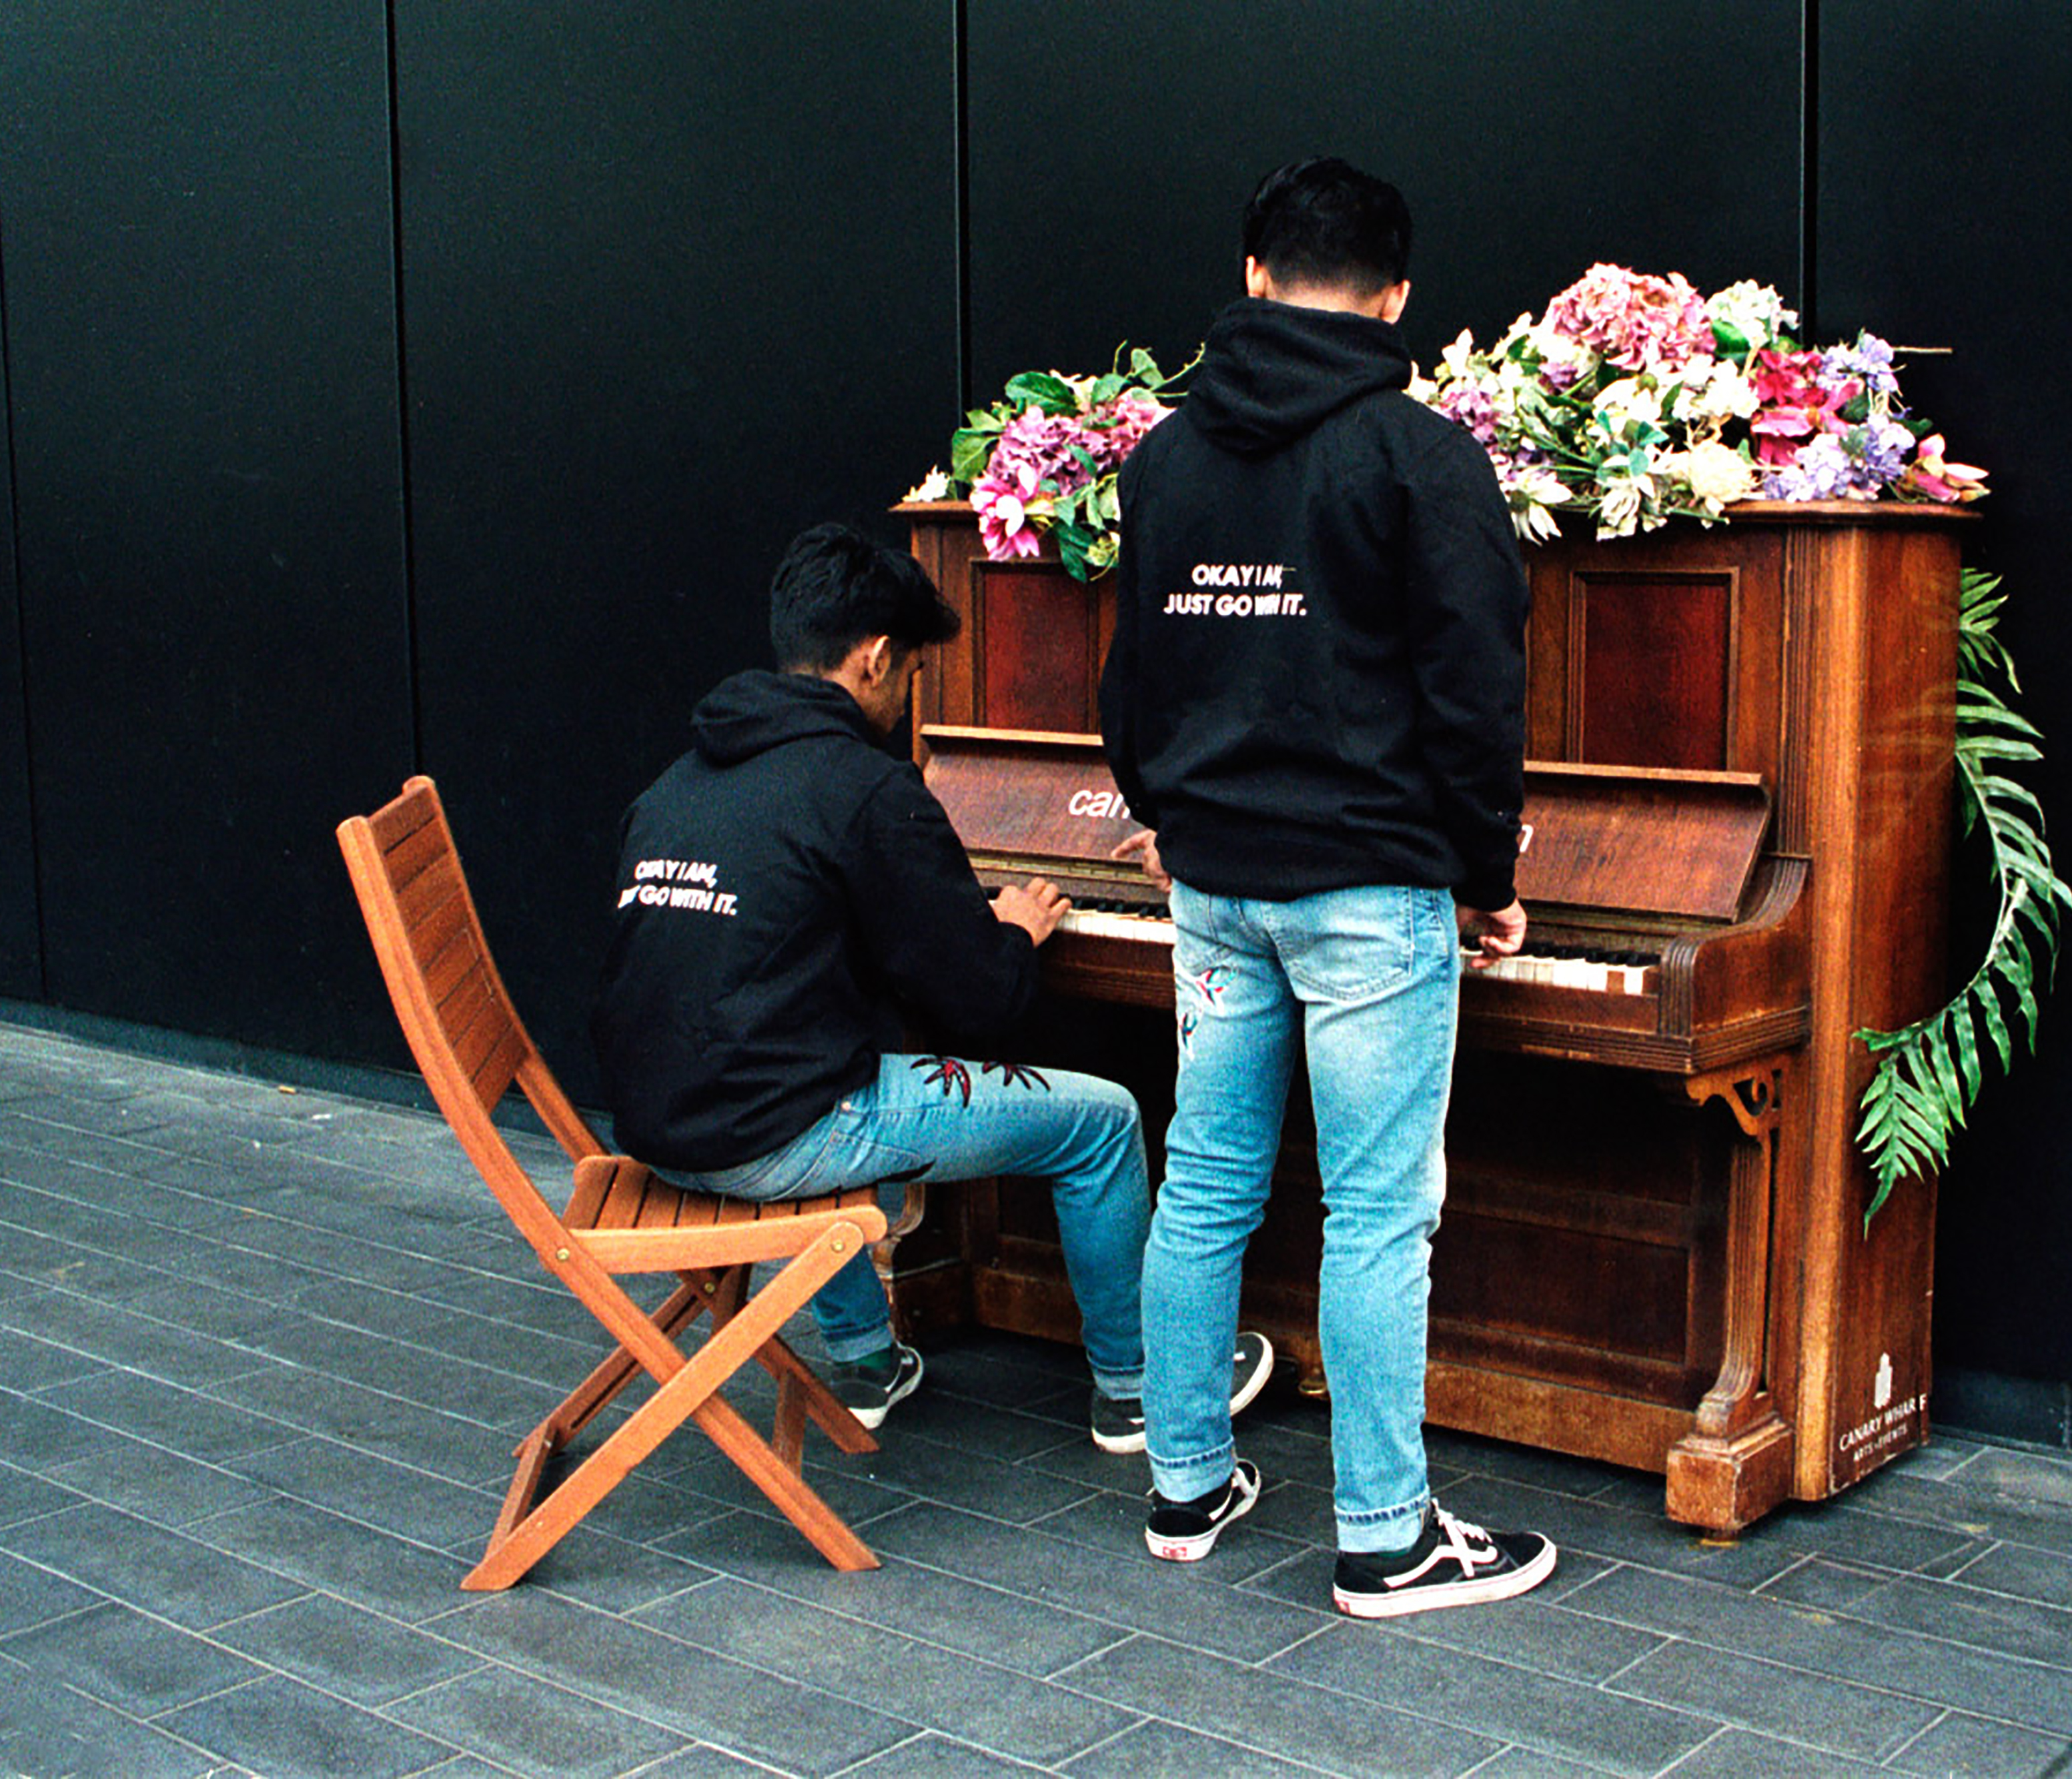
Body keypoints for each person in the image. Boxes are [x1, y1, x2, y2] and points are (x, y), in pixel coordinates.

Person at [1098, 158, 1556, 1616]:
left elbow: (1132, 689)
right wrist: (1483, 876)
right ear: (1399, 296)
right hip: (1368, 889)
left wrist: (1174, 816)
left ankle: (1183, 1483)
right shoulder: (1418, 456)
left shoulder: (1164, 459)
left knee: (1205, 1184)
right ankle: (1384, 1533)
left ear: (1249, 276)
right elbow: (1475, 695)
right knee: (1371, 1214)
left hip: (1216, 886)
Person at [592, 521, 1273, 1449]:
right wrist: (1010, 934)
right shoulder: (863, 788)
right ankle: (1136, 1385)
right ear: (874, 660)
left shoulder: (679, 778)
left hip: (654, 1126)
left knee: (809, 1071)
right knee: (1102, 1122)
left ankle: (868, 1362)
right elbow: (984, 1004)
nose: (910, 693)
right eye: (912, 671)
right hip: (770, 1131)